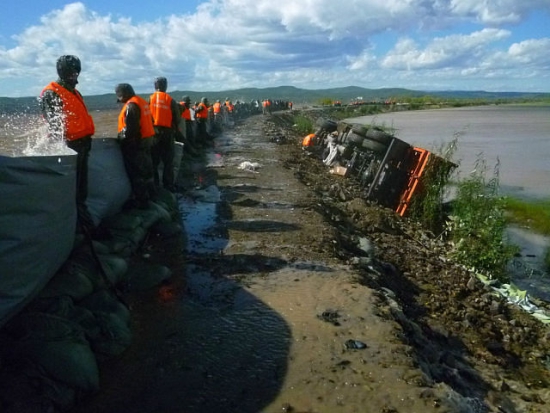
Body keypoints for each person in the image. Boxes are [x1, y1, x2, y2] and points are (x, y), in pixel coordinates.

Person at [39, 55, 96, 234]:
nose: (74, 75)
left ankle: (81, 224)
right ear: (61, 72)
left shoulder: (75, 92)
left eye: (76, 71)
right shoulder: (52, 92)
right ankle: (81, 228)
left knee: (82, 188)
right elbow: (55, 126)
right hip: (70, 147)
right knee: (74, 191)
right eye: (70, 72)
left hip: (83, 144)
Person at [115, 83, 156, 208]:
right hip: (147, 140)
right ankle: (153, 195)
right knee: (147, 170)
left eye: (119, 96)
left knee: (137, 173)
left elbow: (130, 130)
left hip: (136, 144)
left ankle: (142, 202)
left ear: (124, 94)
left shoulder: (131, 106)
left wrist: (119, 138)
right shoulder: (142, 102)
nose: (120, 100)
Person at [149, 76, 180, 191]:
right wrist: (175, 127)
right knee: (168, 160)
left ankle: (155, 185)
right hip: (167, 132)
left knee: (154, 160)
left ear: (155, 86)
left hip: (154, 132)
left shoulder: (149, 99)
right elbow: (177, 117)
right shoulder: (169, 99)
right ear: (165, 86)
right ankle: (168, 185)